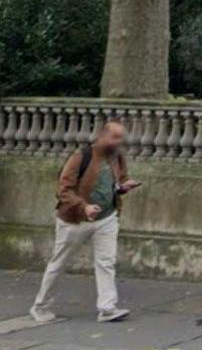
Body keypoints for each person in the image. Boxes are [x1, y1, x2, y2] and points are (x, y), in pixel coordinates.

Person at [30, 119, 138, 324]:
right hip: (76, 220)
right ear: (103, 135)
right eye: (114, 137)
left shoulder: (117, 157)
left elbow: (119, 181)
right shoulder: (81, 156)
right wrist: (84, 207)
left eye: (120, 138)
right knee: (59, 262)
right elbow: (63, 190)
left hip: (106, 217)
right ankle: (40, 305)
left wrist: (124, 186)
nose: (118, 142)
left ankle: (107, 308)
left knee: (106, 262)